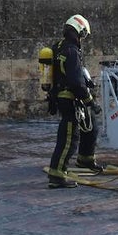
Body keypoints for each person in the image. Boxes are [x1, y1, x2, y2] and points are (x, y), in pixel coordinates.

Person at [46, 14, 103, 188]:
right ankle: (57, 175)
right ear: (79, 31)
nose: (83, 39)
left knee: (91, 124)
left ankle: (85, 160)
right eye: (83, 35)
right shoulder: (71, 51)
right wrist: (90, 101)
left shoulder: (59, 47)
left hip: (62, 97)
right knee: (69, 138)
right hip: (70, 99)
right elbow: (76, 82)